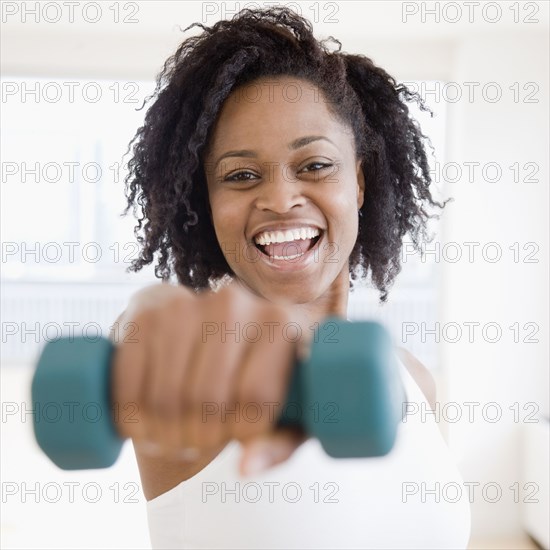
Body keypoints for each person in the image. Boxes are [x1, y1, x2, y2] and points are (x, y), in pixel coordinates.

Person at [112, 7, 471, 549]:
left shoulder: (414, 382)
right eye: (241, 175)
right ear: (204, 202)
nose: (280, 199)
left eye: (315, 165)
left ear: (361, 182)